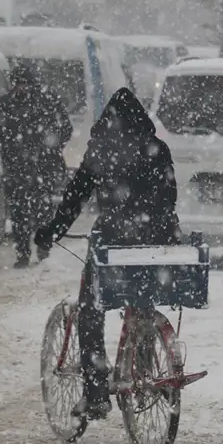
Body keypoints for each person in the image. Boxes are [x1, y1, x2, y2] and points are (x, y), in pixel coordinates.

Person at [34, 89, 180, 420]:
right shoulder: (159, 149)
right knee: (141, 296)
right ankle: (142, 355)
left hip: (115, 239)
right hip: (155, 242)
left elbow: (76, 195)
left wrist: (53, 229)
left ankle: (96, 391)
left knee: (91, 310)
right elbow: (170, 196)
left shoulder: (104, 148)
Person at [0, 64, 72, 268]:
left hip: (43, 168)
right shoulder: (5, 105)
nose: (22, 89)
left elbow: (66, 129)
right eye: (18, 84)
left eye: (26, 84)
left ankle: (43, 249)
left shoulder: (48, 102)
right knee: (19, 212)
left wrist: (52, 148)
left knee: (44, 211)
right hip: (16, 169)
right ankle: (23, 252)